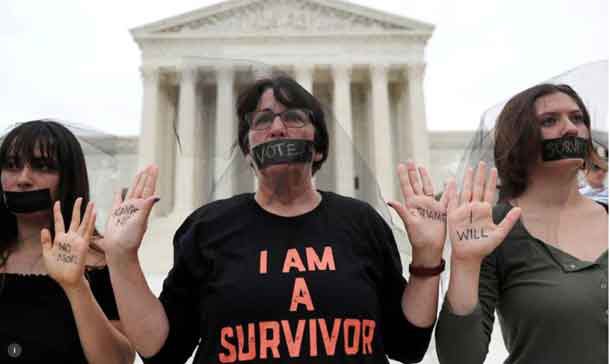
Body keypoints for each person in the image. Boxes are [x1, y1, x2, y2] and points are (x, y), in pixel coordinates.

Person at [102, 75, 452, 363]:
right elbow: (162, 351)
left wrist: (426, 257)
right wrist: (122, 258)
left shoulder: (361, 223)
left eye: (294, 117)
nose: (277, 128)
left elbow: (408, 346)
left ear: (318, 148)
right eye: (263, 120)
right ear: (247, 153)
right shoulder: (207, 228)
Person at [435, 84, 608, 364]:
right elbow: (460, 359)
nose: (571, 129)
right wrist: (465, 264)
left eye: (577, 118)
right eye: (549, 121)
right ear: (519, 138)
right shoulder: (495, 229)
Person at [0, 120, 134, 363]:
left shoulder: (101, 260)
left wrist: (77, 288)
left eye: (42, 166)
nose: (23, 178)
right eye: (11, 165)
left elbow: (119, 360)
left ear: (68, 178)